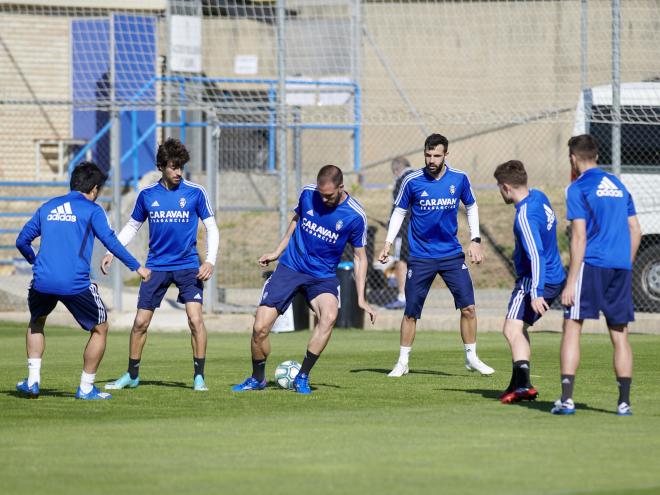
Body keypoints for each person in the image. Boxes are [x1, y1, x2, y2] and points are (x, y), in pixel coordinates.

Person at [232, 165, 376, 395]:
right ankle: (257, 378)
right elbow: (295, 221)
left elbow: (361, 258)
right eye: (321, 194)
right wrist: (277, 252)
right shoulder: (308, 194)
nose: (324, 199)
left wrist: (361, 298)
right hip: (290, 267)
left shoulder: (355, 215)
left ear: (341, 187)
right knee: (259, 328)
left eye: (329, 195)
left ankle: (302, 376)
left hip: (322, 276)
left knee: (329, 316)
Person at [14, 161, 151, 400]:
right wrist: (137, 267)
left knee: (37, 321)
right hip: (74, 283)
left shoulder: (48, 207)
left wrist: (34, 261)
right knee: (101, 328)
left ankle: (33, 381)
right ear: (95, 189)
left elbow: (21, 241)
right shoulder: (92, 210)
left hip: (42, 280)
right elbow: (112, 242)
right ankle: (86, 387)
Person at [101, 138, 219, 392]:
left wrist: (210, 259)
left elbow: (211, 226)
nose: (178, 172)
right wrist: (113, 250)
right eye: (173, 167)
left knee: (195, 320)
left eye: (181, 167)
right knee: (140, 323)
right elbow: (133, 226)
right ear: (162, 167)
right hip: (156, 266)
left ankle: (199, 377)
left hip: (188, 265)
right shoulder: (147, 195)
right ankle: (132, 374)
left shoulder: (195, 192)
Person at [378, 133, 494, 377]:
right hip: (420, 256)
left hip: (451, 255)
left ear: (445, 155)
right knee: (410, 312)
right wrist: (388, 243)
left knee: (469, 308)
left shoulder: (459, 178)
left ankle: (471, 357)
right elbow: (399, 212)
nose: (431, 159)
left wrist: (475, 240)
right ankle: (402, 362)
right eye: (428, 155)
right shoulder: (412, 180)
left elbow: (471, 206)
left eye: (436, 155)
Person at [552, 134, 641, 416]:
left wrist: (571, 281)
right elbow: (635, 229)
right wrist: (625, 263)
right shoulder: (619, 186)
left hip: (591, 265)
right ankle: (624, 403)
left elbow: (578, 236)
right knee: (620, 335)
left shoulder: (577, 187)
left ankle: (566, 399)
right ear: (597, 157)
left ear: (573, 159)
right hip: (620, 267)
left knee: (572, 327)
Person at [493, 160, 565, 404]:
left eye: (498, 187)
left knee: (511, 329)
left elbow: (536, 254)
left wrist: (536, 291)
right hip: (555, 276)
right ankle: (518, 384)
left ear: (505, 188)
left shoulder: (523, 215)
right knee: (518, 328)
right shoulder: (539, 197)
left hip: (534, 280)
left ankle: (523, 384)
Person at [384, 156, 415, 310]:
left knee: (401, 260)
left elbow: (398, 208)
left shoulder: (401, 180)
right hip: (421, 227)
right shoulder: (419, 176)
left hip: (404, 227)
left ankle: (402, 296)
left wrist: (391, 225)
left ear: (396, 170)